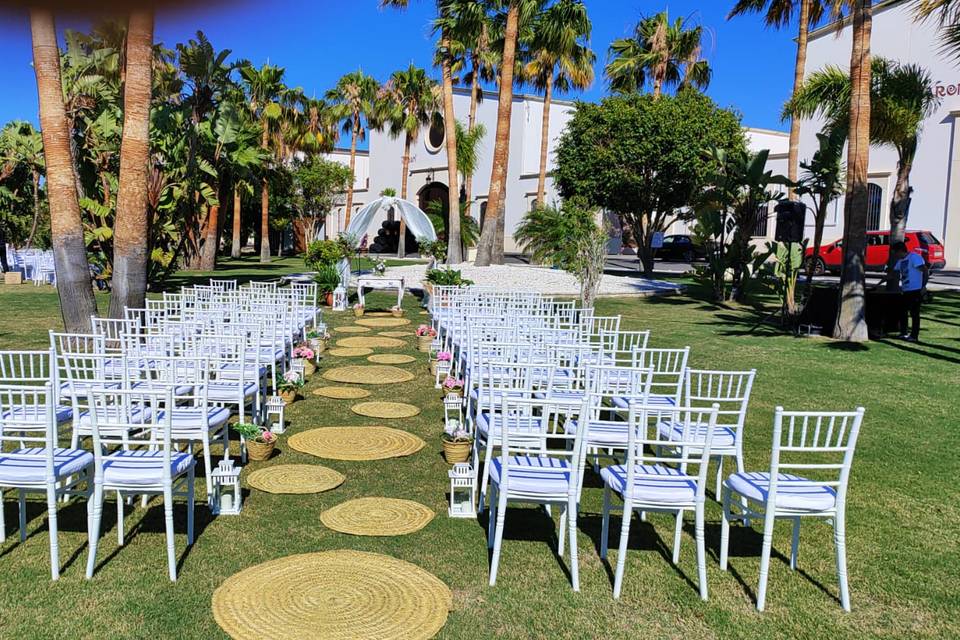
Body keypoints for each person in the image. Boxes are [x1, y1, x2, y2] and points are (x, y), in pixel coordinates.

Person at [891, 241, 927, 342]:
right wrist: (881, 281)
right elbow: (894, 273)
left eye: (895, 252)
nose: (894, 255)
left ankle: (914, 336)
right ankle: (903, 333)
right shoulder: (901, 261)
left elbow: (925, 270)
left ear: (900, 251)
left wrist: (923, 286)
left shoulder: (914, 258)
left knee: (914, 314)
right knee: (902, 311)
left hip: (915, 290)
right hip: (906, 290)